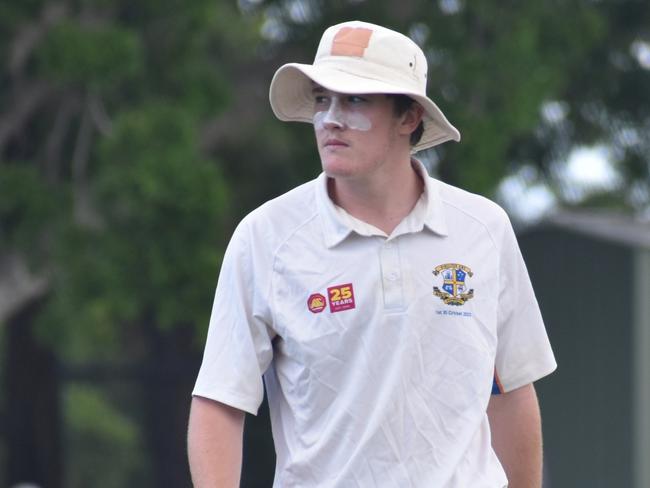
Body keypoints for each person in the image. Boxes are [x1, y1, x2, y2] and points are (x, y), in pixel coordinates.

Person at [187, 20, 556, 488]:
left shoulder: (484, 229)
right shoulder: (265, 238)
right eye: (322, 99)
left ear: (409, 118)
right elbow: (220, 401)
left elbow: (510, 389)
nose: (331, 118)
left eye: (355, 99)